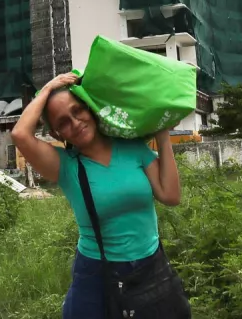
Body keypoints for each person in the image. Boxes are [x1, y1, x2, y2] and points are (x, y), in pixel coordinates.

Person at [12, 72, 190, 319]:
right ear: (56, 134)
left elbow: (171, 196)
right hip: (96, 275)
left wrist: (162, 134)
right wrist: (49, 88)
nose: (75, 123)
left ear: (91, 109)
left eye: (78, 111)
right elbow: (20, 134)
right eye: (63, 122)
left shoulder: (132, 148)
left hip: (150, 267)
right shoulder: (65, 166)